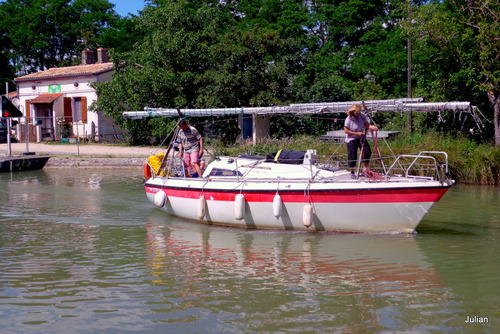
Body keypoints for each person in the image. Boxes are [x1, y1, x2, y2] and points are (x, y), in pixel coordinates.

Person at [344, 104, 378, 178]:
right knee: (352, 155)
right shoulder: (348, 118)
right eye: (356, 113)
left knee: (367, 151)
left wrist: (372, 127)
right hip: (351, 138)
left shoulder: (362, 116)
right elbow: (346, 131)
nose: (358, 115)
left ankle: (365, 169)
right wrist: (356, 133)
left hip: (361, 137)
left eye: (359, 113)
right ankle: (352, 171)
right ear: (353, 112)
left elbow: (366, 125)